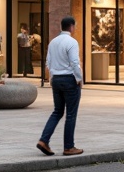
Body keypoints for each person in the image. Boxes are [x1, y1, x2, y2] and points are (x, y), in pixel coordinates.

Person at [37, 16, 83, 157]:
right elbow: (74, 62)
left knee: (57, 111)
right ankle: (69, 147)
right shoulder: (72, 42)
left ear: (61, 27)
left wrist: (51, 78)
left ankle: (44, 140)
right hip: (69, 79)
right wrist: (79, 78)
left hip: (56, 79)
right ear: (72, 27)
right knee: (70, 114)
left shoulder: (53, 42)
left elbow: (48, 62)